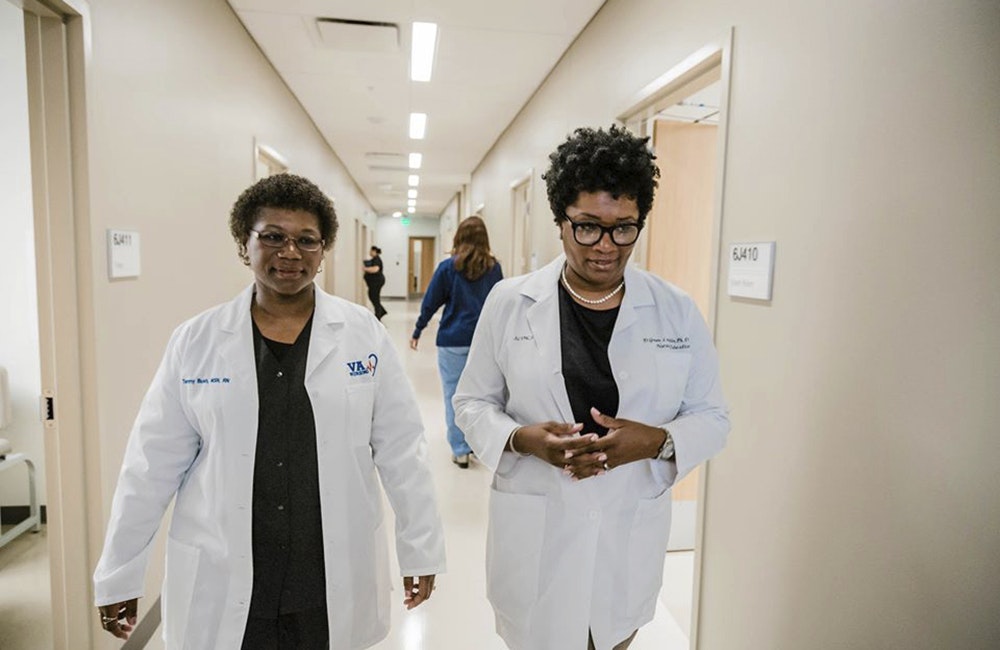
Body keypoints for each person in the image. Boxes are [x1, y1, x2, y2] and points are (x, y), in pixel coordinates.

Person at [93, 174, 445, 649]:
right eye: (273, 237)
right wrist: (119, 572)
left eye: (307, 240)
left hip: (326, 574)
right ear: (245, 243)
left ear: (323, 251)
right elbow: (150, 465)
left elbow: (403, 450)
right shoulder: (196, 342)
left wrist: (420, 549)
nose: (290, 253)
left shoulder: (363, 335)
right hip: (227, 573)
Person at [453, 125, 729, 650]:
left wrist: (653, 441)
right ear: (560, 223)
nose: (606, 246)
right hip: (536, 532)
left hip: (625, 536)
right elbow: (471, 402)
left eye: (624, 228)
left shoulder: (676, 310)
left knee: (613, 634)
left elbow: (713, 417)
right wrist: (523, 440)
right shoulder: (510, 302)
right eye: (587, 227)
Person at [409, 216, 503, 469]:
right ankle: (477, 444)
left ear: (458, 237)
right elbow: (500, 306)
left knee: (454, 395)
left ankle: (460, 449)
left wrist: (418, 329)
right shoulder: (494, 269)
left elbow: (431, 301)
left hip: (452, 340)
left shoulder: (448, 268)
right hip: (484, 342)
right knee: (482, 397)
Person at [363, 245, 388, 320]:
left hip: (377, 282)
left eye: (370, 251)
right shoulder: (374, 259)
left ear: (374, 251)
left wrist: (365, 269)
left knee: (375, 297)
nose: (369, 252)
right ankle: (381, 311)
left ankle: (378, 315)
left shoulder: (377, 259)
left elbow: (375, 269)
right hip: (375, 282)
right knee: (372, 296)